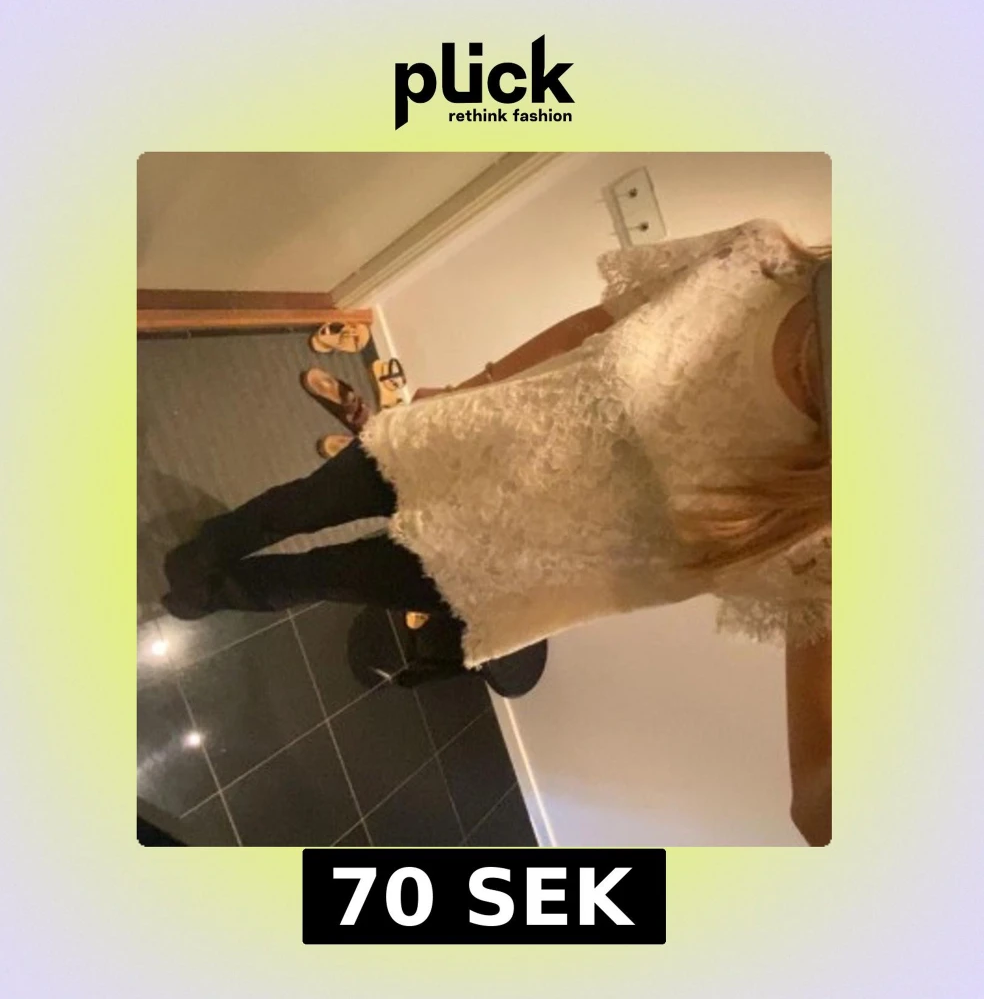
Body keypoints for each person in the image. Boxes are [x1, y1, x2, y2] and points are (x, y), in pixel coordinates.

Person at [161, 217, 832, 845]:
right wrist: (467, 387)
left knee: (319, 578)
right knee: (297, 506)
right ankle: (202, 552)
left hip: (498, 564)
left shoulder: (829, 529)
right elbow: (591, 326)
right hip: (460, 440)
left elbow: (816, 805)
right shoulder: (759, 263)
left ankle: (213, 593)